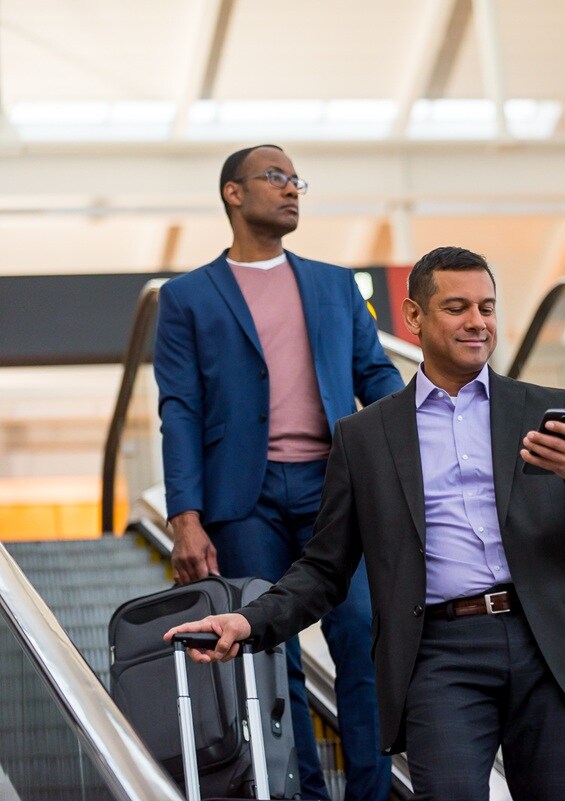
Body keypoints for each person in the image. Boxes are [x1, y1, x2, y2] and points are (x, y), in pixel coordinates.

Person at [166, 245, 565, 801]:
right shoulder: (366, 437)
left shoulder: (548, 409)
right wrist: (251, 623)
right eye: (457, 307)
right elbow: (325, 568)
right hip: (439, 657)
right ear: (414, 316)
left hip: (550, 650)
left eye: (487, 308)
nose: (477, 322)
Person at [154, 144, 401, 801]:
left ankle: (372, 793)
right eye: (276, 177)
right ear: (233, 193)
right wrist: (186, 517)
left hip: (335, 488)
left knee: (362, 636)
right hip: (244, 497)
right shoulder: (185, 298)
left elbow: (374, 375)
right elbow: (178, 408)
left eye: (297, 180)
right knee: (269, 652)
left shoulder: (334, 283)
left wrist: (426, 434)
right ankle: (306, 792)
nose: (292, 189)